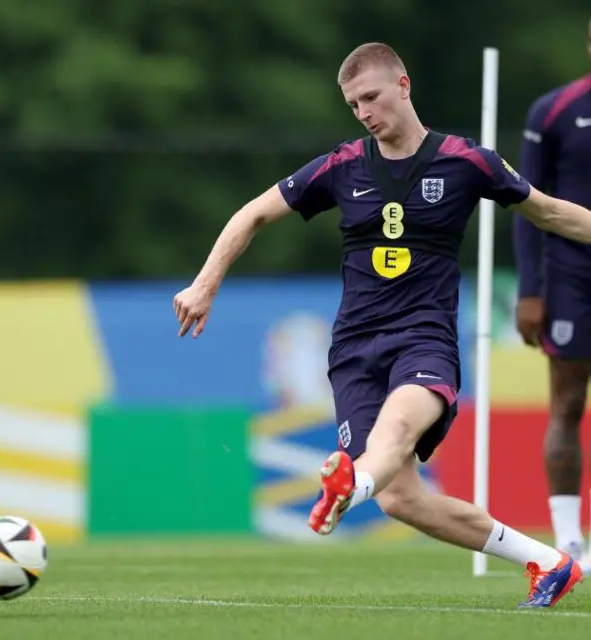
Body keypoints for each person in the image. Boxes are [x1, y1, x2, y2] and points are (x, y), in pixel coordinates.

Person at [173, 42, 591, 608]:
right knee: (403, 502)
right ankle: (548, 562)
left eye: (370, 97)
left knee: (392, 435)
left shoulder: (468, 162)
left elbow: (550, 211)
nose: (364, 112)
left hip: (425, 340)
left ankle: (350, 484)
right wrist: (204, 283)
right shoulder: (342, 166)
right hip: (352, 350)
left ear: (403, 86)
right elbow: (253, 213)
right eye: (352, 105)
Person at [513, 20, 591, 568]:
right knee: (567, 403)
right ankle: (569, 540)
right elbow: (527, 204)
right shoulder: (555, 110)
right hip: (571, 277)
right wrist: (529, 289)